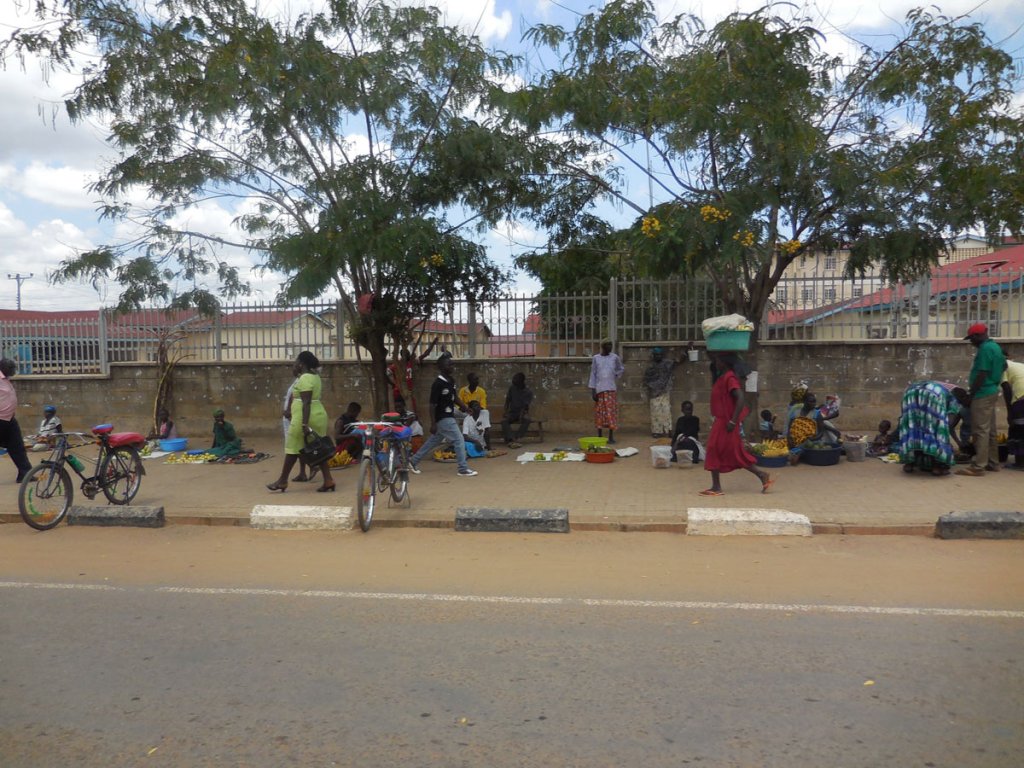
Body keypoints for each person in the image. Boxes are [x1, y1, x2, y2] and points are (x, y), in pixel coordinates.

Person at [700, 353, 772, 496]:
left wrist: (733, 420)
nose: (716, 362)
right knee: (732, 452)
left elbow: (740, 399)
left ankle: (716, 486)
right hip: (722, 420)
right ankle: (761, 474)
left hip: (726, 422)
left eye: (719, 359)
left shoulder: (729, 377)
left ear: (725, 362)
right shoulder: (722, 376)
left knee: (714, 449)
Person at [267, 350, 336, 492]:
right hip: (318, 415)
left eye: (297, 362)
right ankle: (328, 480)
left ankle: (282, 481)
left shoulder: (304, 378)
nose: (295, 364)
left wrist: (304, 424)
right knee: (319, 448)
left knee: (292, 448)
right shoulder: (315, 377)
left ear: (302, 363)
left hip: (305, 417)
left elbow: (306, 402)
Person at [408, 354, 477, 477]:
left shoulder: (451, 381)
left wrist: (466, 408)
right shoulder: (437, 384)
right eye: (449, 364)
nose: (452, 366)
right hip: (443, 417)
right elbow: (432, 405)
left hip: (449, 414)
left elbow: (454, 397)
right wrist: (433, 423)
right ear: (441, 367)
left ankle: (413, 461)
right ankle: (463, 468)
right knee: (459, 439)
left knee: (433, 441)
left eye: (452, 364)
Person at [956, 323, 1007, 476]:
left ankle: (979, 466)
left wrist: (971, 394)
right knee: (990, 429)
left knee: (980, 431)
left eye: (971, 339)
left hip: (982, 393)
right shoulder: (995, 347)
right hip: (992, 390)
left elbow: (982, 373)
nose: (971, 342)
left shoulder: (985, 349)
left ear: (978, 336)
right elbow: (1004, 365)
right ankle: (993, 462)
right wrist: (995, 378)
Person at [897, 382, 969, 476]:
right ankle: (937, 466)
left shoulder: (948, 387)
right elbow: (948, 426)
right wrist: (955, 445)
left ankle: (909, 464)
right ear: (963, 400)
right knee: (936, 431)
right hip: (932, 395)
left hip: (910, 392)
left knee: (914, 429)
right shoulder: (954, 399)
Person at [283, 360, 317, 483]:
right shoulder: (299, 380)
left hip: (294, 417)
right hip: (292, 417)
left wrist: (288, 410)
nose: (293, 368)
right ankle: (303, 472)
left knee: (294, 448)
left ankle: (312, 464)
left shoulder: (302, 380)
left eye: (294, 366)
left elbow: (297, 398)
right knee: (299, 446)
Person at [387, 337, 439, 416]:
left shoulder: (412, 363)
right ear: (402, 356)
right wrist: (393, 384)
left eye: (408, 354)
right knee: (398, 409)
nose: (407, 356)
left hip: (409, 391)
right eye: (405, 355)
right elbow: (386, 373)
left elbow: (425, 354)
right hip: (398, 391)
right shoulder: (396, 365)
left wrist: (432, 344)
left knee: (412, 411)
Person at [786, 391, 842, 464]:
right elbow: (790, 428)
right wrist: (789, 437)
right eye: (810, 401)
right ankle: (797, 453)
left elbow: (821, 433)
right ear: (804, 401)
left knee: (806, 447)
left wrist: (812, 439)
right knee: (784, 447)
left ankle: (798, 454)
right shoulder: (796, 412)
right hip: (795, 439)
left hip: (809, 440)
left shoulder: (817, 414)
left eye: (814, 401)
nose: (813, 404)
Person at [0, 358, 32, 482]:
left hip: (9, 419)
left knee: (17, 446)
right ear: (3, 368)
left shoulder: (5, 379)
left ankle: (25, 473)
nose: (14, 370)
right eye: (11, 368)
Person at [589, 340, 625, 443]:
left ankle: (611, 437)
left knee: (611, 413)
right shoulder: (596, 358)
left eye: (611, 345)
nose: (610, 347)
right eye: (608, 345)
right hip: (599, 390)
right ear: (603, 347)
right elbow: (593, 374)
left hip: (611, 389)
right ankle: (600, 437)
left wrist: (615, 375)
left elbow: (621, 368)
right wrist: (593, 390)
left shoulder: (614, 357)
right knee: (600, 414)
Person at [643, 347, 678, 437]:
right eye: (656, 355)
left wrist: (686, 351)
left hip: (665, 391)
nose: (658, 356)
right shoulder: (651, 367)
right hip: (654, 393)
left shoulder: (667, 364)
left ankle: (668, 430)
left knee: (666, 411)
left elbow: (678, 361)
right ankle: (656, 431)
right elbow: (647, 380)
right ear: (653, 356)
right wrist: (653, 386)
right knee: (655, 412)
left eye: (660, 355)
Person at [1001, 355, 1024, 469]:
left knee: (1018, 429)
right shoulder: (1016, 365)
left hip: (1021, 397)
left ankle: (1020, 463)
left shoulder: (1001, 367)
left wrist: (1010, 412)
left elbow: (1006, 388)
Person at [500, 372, 534, 449]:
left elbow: (525, 406)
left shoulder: (528, 392)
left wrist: (521, 416)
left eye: (515, 379)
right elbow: (508, 400)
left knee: (527, 420)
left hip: (522, 412)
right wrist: (505, 411)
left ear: (521, 381)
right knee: (504, 421)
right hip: (512, 412)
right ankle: (511, 438)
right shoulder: (512, 388)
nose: (513, 380)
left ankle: (516, 437)